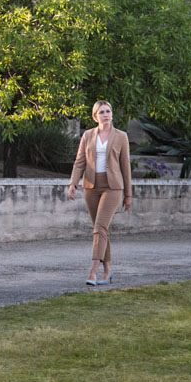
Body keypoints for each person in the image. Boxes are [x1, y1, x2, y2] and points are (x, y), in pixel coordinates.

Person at [65, 100, 132, 285]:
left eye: (108, 111)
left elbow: (125, 167)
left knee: (99, 227)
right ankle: (108, 271)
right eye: (101, 112)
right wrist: (73, 183)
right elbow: (80, 161)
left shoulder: (121, 136)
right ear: (95, 116)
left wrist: (128, 194)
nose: (106, 115)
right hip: (91, 186)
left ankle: (93, 271)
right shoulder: (87, 135)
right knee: (101, 230)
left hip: (113, 187)